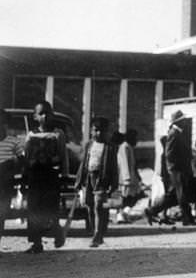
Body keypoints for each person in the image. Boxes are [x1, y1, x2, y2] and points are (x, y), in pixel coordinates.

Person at [22, 100, 69, 253]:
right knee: (34, 208)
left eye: (48, 113)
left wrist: (64, 174)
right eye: (41, 114)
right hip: (35, 176)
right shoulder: (31, 135)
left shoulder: (58, 134)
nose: (45, 116)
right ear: (35, 117)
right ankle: (36, 242)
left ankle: (57, 232)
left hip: (51, 175)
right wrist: (24, 175)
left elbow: (63, 155)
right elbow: (27, 156)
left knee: (51, 207)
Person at [145, 110, 196, 226]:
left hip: (179, 168)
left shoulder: (178, 133)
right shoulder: (174, 133)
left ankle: (152, 211)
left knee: (174, 195)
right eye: (183, 121)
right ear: (178, 122)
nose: (185, 122)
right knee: (181, 193)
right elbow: (169, 153)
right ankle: (187, 218)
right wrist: (173, 168)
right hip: (176, 169)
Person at [74, 117, 118, 247]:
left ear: (106, 132)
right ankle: (95, 230)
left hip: (102, 179)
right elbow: (84, 164)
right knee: (89, 205)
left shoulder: (110, 147)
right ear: (91, 131)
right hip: (89, 178)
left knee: (99, 206)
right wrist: (79, 180)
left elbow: (114, 167)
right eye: (95, 130)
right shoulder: (89, 145)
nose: (98, 133)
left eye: (101, 131)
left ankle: (98, 234)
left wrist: (114, 184)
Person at [0, 110, 23, 246]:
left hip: (5, 183)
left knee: (1, 214)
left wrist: (13, 164)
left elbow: (21, 161)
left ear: (6, 125)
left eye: (2, 123)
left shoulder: (14, 142)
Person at [116, 128, 143, 216]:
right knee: (125, 197)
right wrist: (126, 178)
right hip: (126, 179)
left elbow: (133, 164)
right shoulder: (125, 147)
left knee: (133, 197)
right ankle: (121, 215)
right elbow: (124, 163)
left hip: (131, 178)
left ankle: (124, 214)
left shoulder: (129, 147)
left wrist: (137, 176)